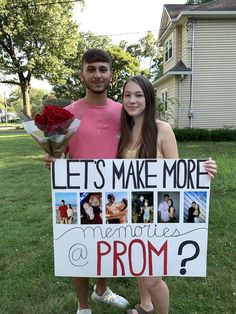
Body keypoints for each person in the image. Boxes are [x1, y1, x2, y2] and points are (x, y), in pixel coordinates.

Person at [117, 75, 217, 314]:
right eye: (127, 95)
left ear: (149, 98)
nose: (132, 100)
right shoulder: (124, 131)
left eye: (138, 95)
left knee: (152, 278)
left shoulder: (162, 130)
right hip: (133, 211)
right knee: (138, 264)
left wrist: (201, 172)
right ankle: (145, 306)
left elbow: (178, 174)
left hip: (158, 216)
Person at [43, 48, 129, 314]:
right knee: (78, 248)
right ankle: (83, 306)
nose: (97, 75)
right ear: (82, 75)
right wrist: (52, 160)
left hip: (115, 194)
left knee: (107, 246)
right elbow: (57, 156)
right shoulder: (67, 115)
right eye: (91, 69)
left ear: (111, 75)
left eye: (103, 69)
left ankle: (101, 290)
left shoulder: (124, 111)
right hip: (78, 194)